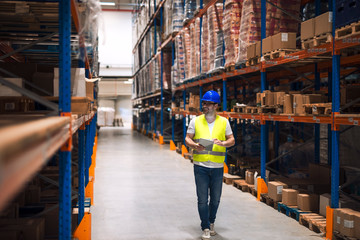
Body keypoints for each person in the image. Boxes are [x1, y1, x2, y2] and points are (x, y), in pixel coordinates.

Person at [185, 90, 235, 240]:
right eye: (204, 103)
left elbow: (232, 140)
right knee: (202, 199)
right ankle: (205, 227)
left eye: (208, 104)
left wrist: (223, 143)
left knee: (215, 199)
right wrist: (194, 146)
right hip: (200, 166)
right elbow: (187, 138)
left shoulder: (224, 122)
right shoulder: (196, 121)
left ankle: (211, 222)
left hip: (217, 167)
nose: (205, 106)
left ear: (215, 106)